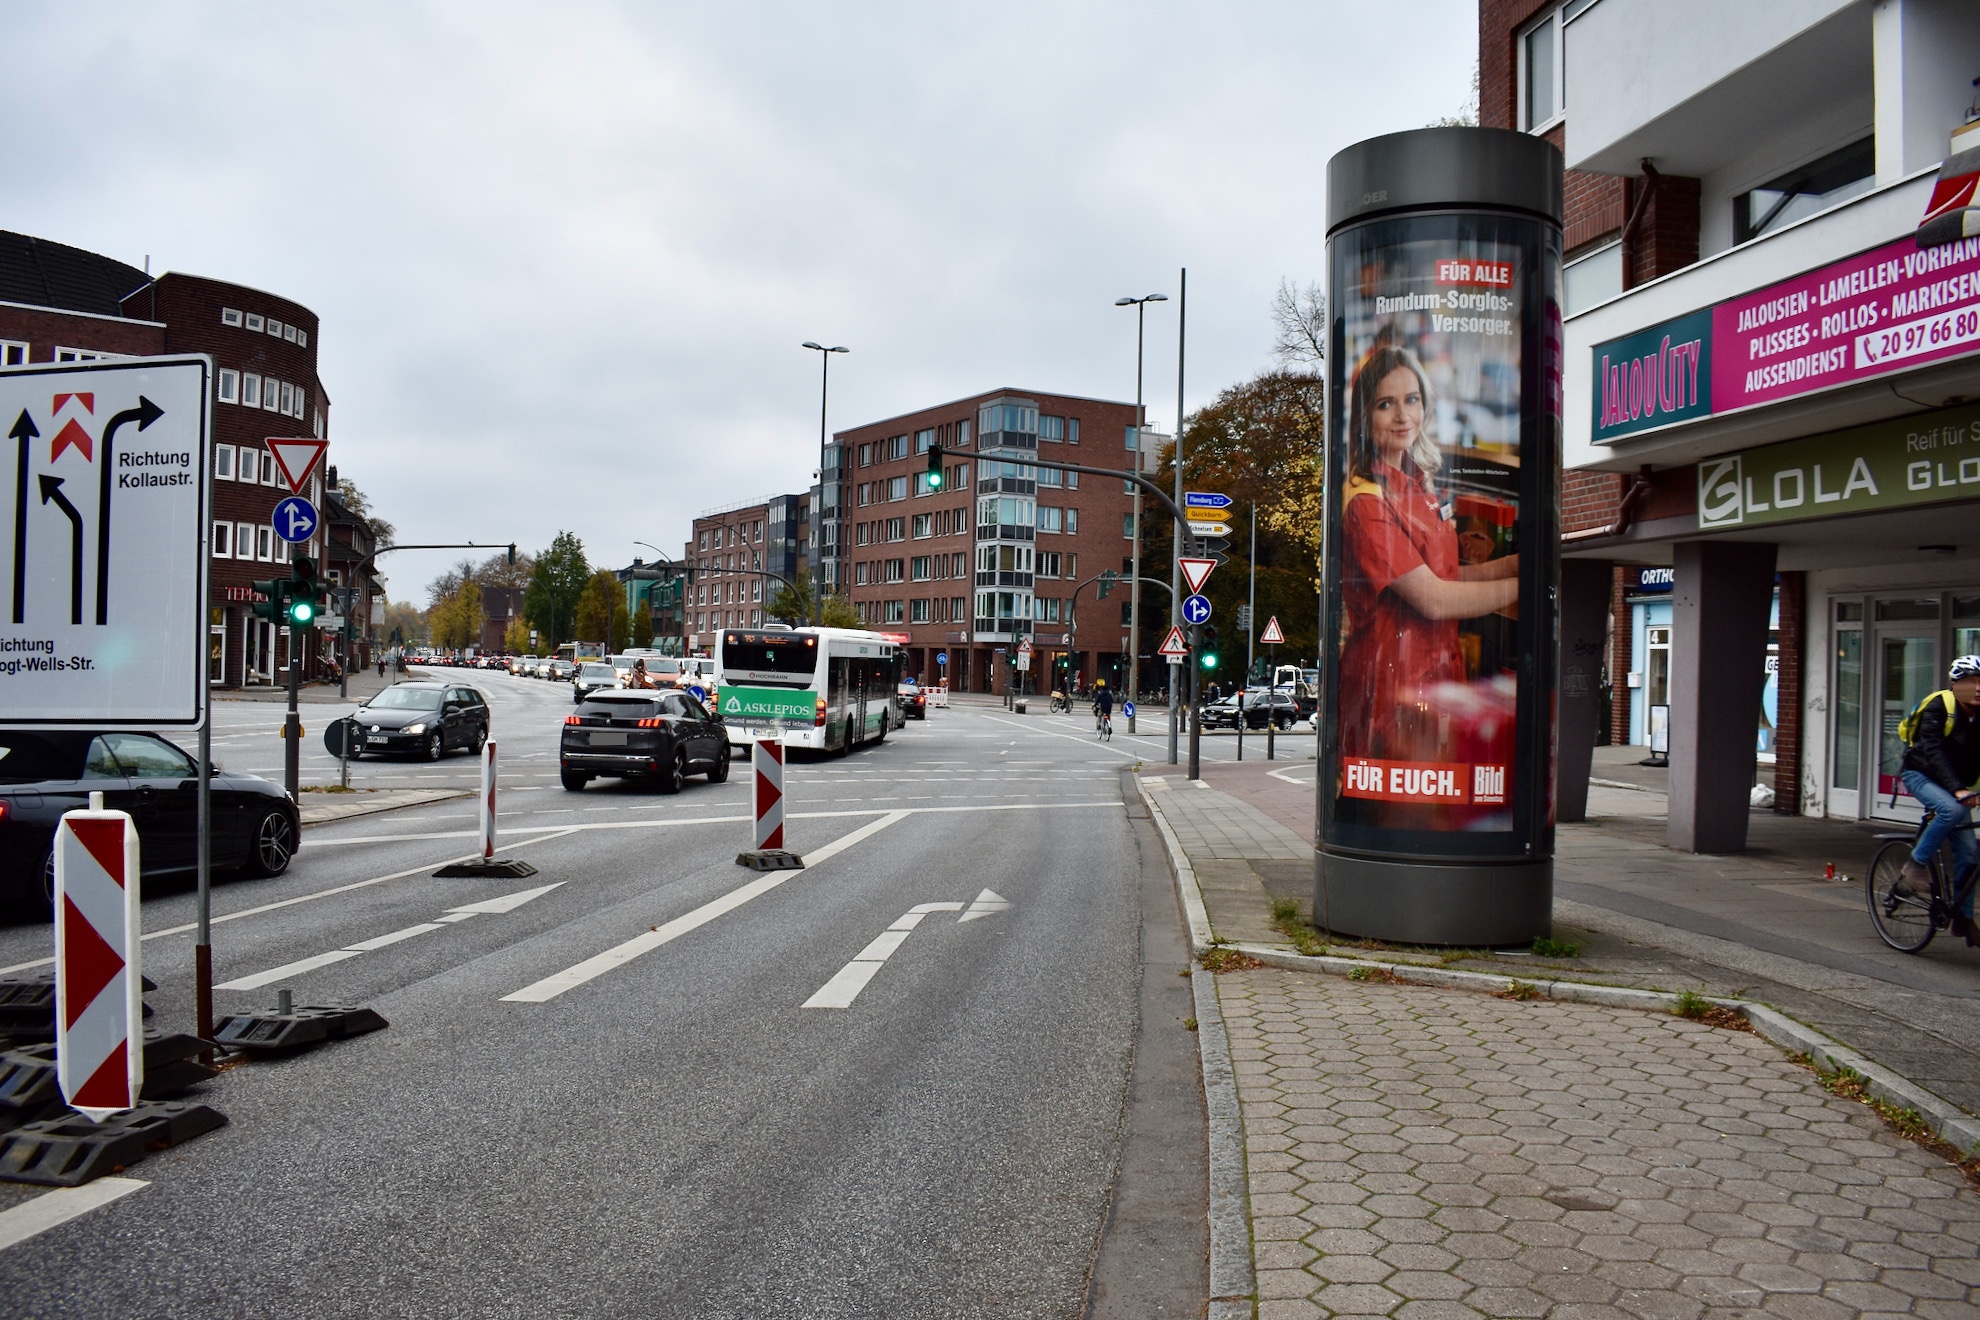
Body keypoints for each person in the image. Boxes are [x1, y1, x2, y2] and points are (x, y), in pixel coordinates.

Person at [1337, 343, 1519, 766]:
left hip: (1433, 681)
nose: (1403, 416)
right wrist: (1522, 586)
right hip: (1391, 691)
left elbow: (1444, 576)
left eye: (1411, 399)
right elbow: (1434, 599)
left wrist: (1510, 566)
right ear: (1365, 416)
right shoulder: (1365, 501)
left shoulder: (1415, 485)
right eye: (1386, 404)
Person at [1897, 655, 1980, 944]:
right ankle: (1914, 865)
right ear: (1956, 685)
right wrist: (1956, 789)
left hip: (1957, 785)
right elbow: (1932, 751)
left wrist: (1960, 789)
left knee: (1969, 853)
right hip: (1921, 774)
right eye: (1970, 682)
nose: (1978, 688)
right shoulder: (1939, 706)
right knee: (1951, 810)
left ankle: (1963, 919)